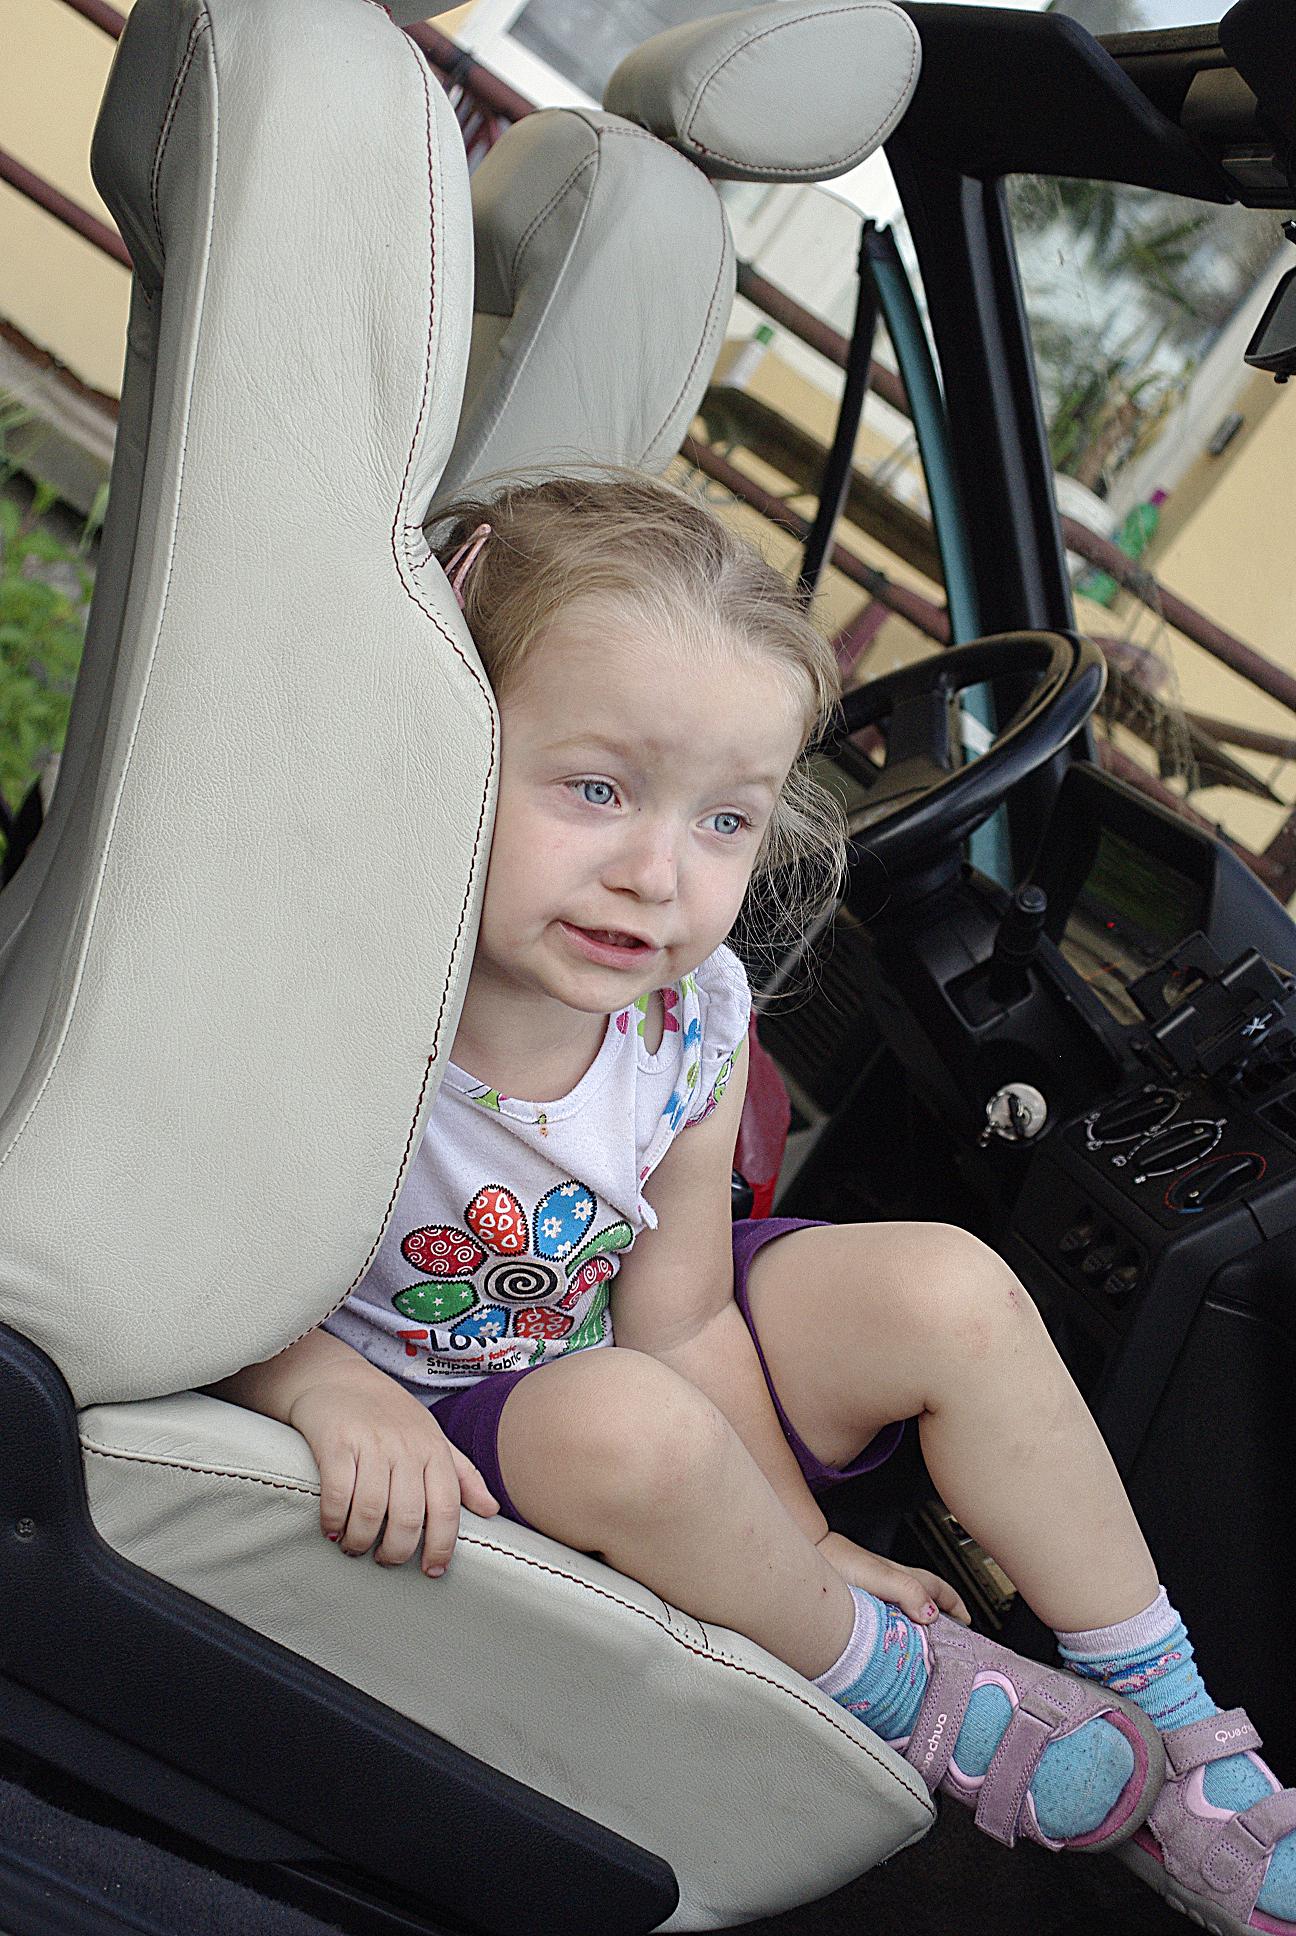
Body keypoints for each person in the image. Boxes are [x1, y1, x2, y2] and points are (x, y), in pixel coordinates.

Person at [215, 473, 1296, 1933]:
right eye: (597, 790)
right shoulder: (344, 994)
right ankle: (885, 1679)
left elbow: (681, 1319)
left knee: (947, 1286)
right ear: (445, 737)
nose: (656, 875)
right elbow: (200, 1253)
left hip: (615, 1349)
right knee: (628, 1423)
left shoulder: (691, 1019)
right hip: (441, 1405)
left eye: (726, 821)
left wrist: (802, 1532)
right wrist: (321, 1388)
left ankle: (1181, 1738)